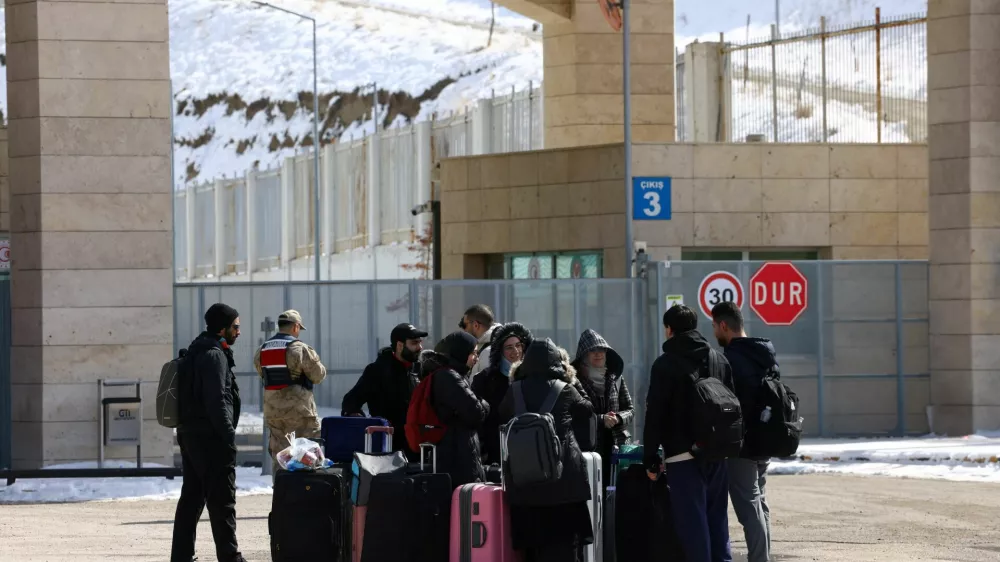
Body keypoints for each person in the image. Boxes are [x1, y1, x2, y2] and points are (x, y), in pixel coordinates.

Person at [643, 304, 734, 562]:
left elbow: (655, 414)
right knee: (718, 525)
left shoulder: (665, 365)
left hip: (682, 457)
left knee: (693, 529)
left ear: (669, 330)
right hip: (717, 454)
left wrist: (650, 456)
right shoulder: (719, 359)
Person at [499, 339, 595, 562]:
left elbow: (502, 414)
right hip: (564, 484)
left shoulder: (514, 391)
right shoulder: (566, 389)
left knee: (533, 551)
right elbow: (588, 409)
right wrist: (571, 377)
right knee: (566, 549)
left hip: (525, 485)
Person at [171, 303, 247, 562]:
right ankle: (230, 557)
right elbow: (217, 399)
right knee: (222, 500)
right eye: (235, 327)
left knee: (191, 498)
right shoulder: (214, 355)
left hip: (191, 434)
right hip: (211, 438)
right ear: (222, 328)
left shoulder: (197, 350)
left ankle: (181, 557)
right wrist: (228, 437)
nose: (239, 332)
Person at [712, 302, 774, 562]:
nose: (715, 332)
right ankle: (763, 557)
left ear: (724, 325)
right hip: (765, 439)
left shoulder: (730, 360)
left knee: (749, 510)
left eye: (715, 326)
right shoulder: (765, 353)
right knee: (759, 505)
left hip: (742, 445)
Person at [253, 310, 327, 473]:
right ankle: (307, 491)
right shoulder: (300, 349)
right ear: (295, 326)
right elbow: (318, 375)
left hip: (273, 410)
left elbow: (262, 373)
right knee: (308, 453)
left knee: (280, 456)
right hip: (300, 410)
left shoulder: (262, 349)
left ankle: (282, 492)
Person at [342, 323, 427, 457]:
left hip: (417, 445)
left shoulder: (419, 370)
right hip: (388, 446)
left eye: (420, 343)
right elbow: (351, 401)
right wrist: (360, 419)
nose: (419, 347)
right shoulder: (378, 371)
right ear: (400, 345)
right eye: (414, 343)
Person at [419, 330, 490, 487]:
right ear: (460, 352)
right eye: (473, 353)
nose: (476, 358)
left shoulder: (452, 375)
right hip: (457, 458)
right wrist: (484, 404)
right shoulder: (449, 377)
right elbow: (476, 413)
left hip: (457, 454)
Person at [570, 329, 634, 493]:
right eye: (593, 350)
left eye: (602, 350)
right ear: (584, 355)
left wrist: (618, 418)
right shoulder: (574, 383)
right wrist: (600, 420)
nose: (598, 354)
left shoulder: (616, 378)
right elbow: (573, 416)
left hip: (616, 447)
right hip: (588, 450)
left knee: (618, 495)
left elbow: (630, 409)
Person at [471, 322, 533, 465]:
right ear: (500, 351)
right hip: (496, 448)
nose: (515, 351)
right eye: (509, 347)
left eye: (518, 345)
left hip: (527, 446)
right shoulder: (484, 379)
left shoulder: (532, 376)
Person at [460, 304, 501, 376]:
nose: (464, 330)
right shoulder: (491, 344)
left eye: (464, 325)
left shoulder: (488, 352)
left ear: (476, 325)